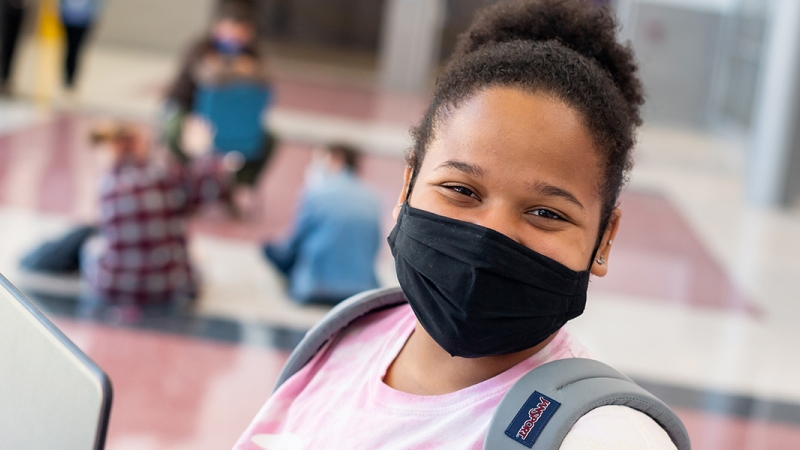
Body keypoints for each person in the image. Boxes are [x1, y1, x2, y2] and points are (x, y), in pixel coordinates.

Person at [235, 0, 678, 449]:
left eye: (546, 213)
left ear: (605, 239)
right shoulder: (343, 338)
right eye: (461, 190)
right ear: (408, 183)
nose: (491, 236)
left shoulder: (602, 437)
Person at [81, 122, 232, 312]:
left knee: (91, 248)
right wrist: (203, 150)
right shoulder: (165, 177)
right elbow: (212, 187)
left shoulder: (107, 184)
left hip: (114, 287)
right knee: (195, 261)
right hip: (170, 288)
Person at [163, 0, 273, 188]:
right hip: (187, 108)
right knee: (175, 131)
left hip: (230, 116)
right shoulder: (200, 47)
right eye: (232, 29)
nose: (236, 37)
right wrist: (240, 69)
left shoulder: (252, 52)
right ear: (218, 27)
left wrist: (239, 68)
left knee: (268, 139)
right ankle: (185, 179)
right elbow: (209, 76)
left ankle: (239, 185)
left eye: (242, 32)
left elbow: (264, 78)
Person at [263, 144, 382, 305]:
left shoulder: (316, 193)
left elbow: (293, 244)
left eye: (319, 159)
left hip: (316, 288)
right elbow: (374, 246)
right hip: (362, 289)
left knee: (271, 249)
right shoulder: (373, 198)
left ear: (336, 158)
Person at [59, 0, 101, 90]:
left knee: (76, 50)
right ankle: (67, 80)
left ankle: (71, 80)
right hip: (68, 17)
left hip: (83, 19)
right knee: (70, 49)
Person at [0, 0, 29, 96]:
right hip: (6, 7)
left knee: (13, 45)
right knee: (5, 41)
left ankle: (6, 79)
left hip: (19, 8)